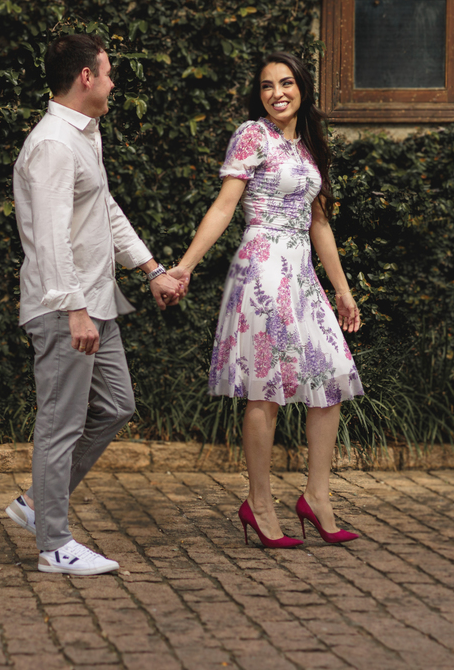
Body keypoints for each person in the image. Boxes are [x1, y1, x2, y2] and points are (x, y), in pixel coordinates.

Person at [168, 50, 363, 548]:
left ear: (302, 88)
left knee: (333, 375)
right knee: (267, 386)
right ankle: (258, 503)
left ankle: (316, 497)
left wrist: (341, 291)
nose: (277, 93)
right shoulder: (252, 135)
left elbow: (320, 223)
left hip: (300, 272)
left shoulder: (311, 145)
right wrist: (185, 267)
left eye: (286, 83)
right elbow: (225, 206)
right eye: (267, 86)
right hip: (262, 265)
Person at [7, 33, 184, 575]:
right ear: (86, 77)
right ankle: (53, 545)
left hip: (96, 303)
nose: (112, 82)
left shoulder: (85, 136)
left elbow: (102, 210)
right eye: (107, 73)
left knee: (117, 405)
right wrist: (73, 308)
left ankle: (37, 502)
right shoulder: (54, 145)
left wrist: (150, 268)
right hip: (68, 308)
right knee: (60, 422)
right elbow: (51, 238)